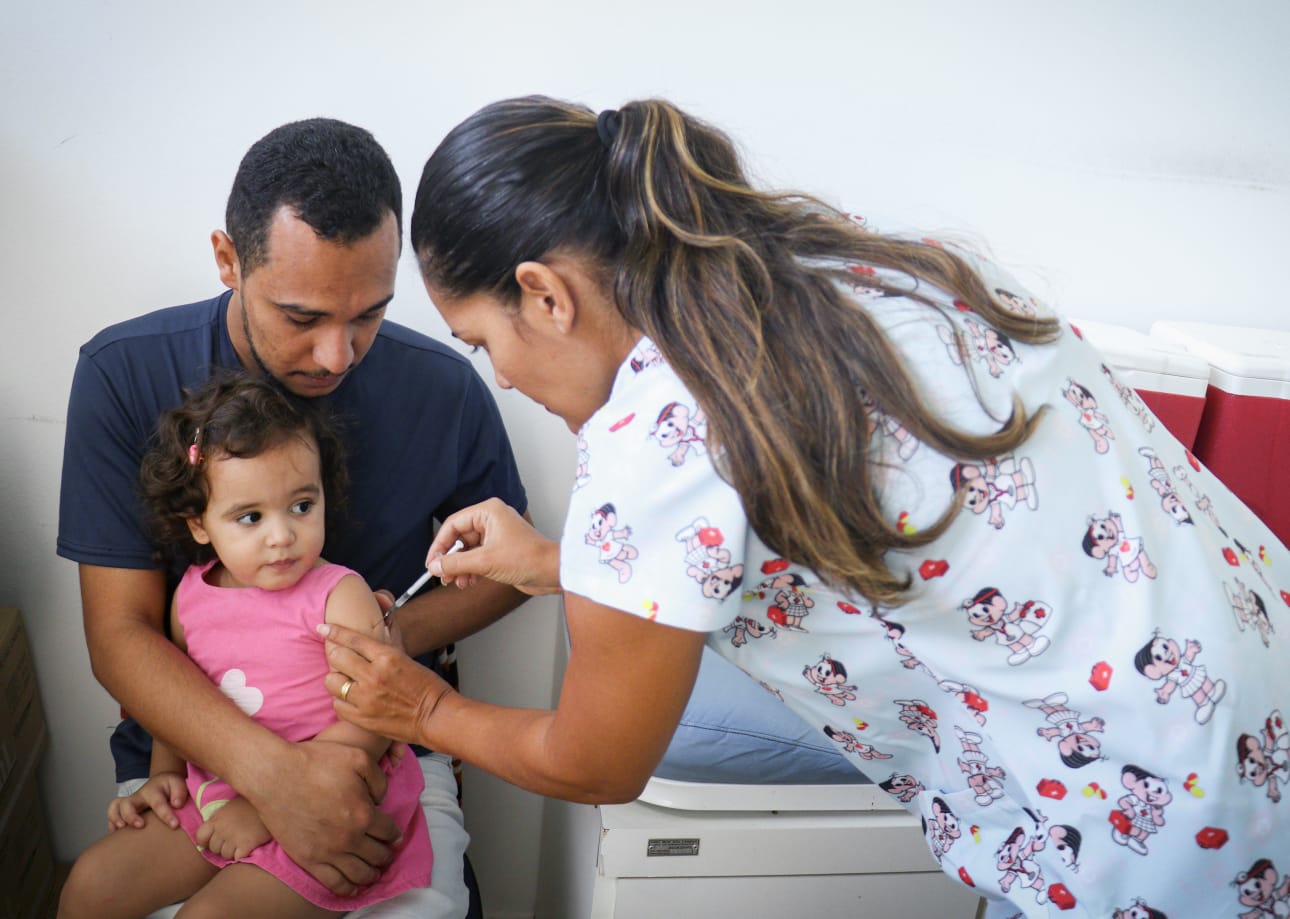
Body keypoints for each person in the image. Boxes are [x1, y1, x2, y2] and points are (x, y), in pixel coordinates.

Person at [319, 96, 1290, 917]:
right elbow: (802, 515)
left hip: (1156, 806)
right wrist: (557, 561)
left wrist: (428, 708)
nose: (504, 376)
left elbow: (593, 762)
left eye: (483, 342)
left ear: (544, 295)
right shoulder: (854, 268)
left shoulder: (654, 433)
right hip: (1257, 668)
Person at [56, 117, 528, 917]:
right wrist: (277, 782)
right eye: (303, 317)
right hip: (196, 761)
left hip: (381, 750)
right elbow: (120, 635)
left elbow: (507, 573)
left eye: (369, 313)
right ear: (227, 259)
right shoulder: (121, 373)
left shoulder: (444, 390)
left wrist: (382, 646)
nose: (339, 354)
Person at [60, 373, 433, 918]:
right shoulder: (190, 597)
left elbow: (373, 721)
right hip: (221, 787)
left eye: (302, 506)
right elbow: (179, 695)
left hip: (337, 797)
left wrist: (265, 810)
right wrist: (164, 776)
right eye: (251, 517)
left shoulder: (340, 595)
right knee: (90, 886)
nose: (281, 535)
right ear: (200, 525)